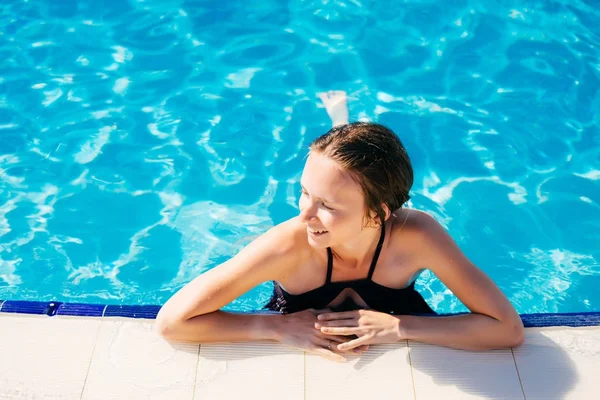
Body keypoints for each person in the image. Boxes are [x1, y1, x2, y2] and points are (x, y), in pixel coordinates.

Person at [155, 91, 524, 362]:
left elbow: (506, 328)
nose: (304, 215)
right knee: (340, 172)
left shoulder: (418, 236)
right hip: (299, 297)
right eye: (303, 192)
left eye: (326, 205)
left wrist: (400, 327)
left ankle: (342, 127)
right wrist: (274, 327)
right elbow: (173, 322)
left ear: (379, 214)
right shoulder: (288, 245)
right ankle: (341, 127)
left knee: (349, 175)